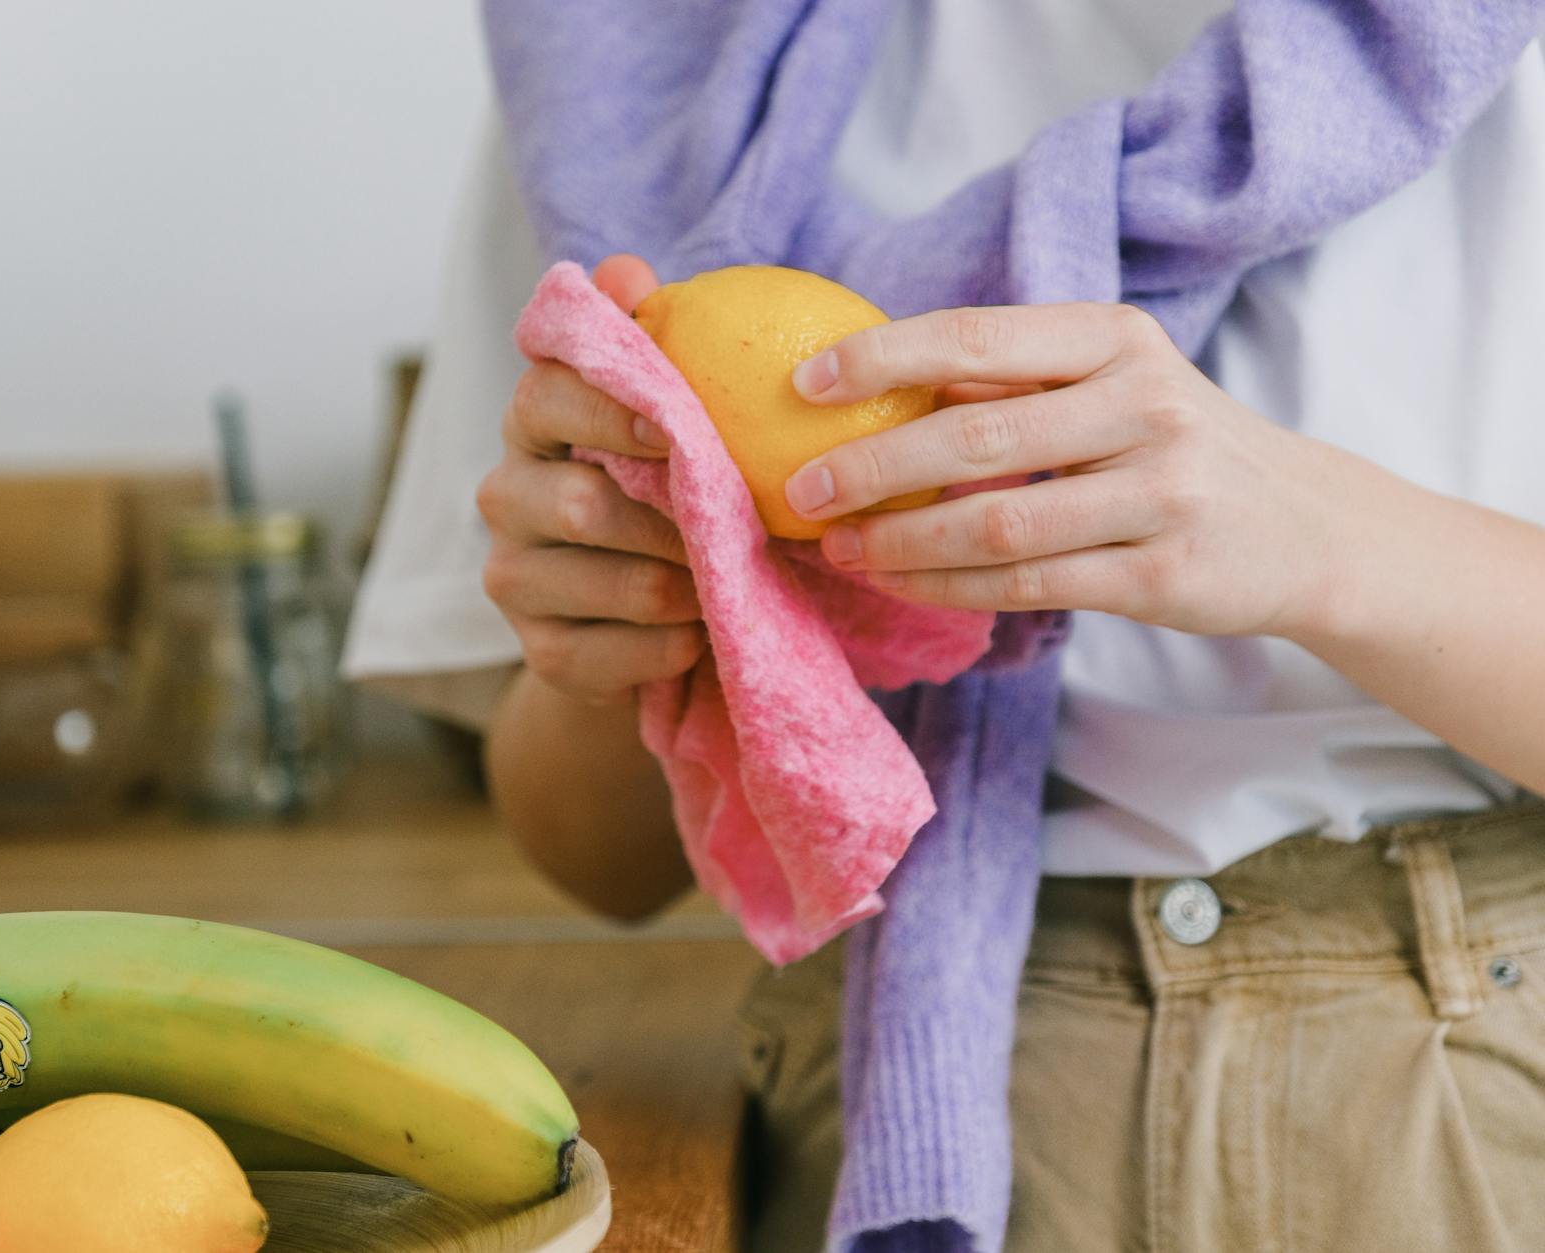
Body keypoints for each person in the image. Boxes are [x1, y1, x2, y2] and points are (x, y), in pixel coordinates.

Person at [346, 4, 1545, 1248]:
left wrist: (1326, 543)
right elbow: (595, 859)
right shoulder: (627, 71)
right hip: (867, 1091)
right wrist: (641, 625)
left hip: (1469, 1106)